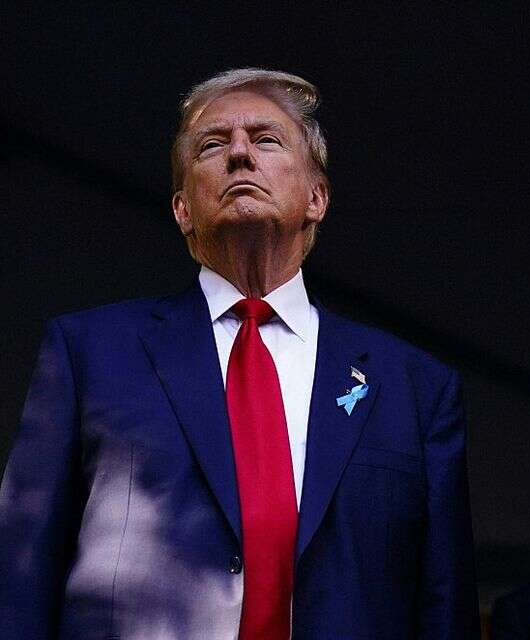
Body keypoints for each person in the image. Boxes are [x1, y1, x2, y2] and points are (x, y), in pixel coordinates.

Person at [0, 68, 479, 639]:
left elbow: (445, 604)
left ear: (317, 198)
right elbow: (19, 576)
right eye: (212, 145)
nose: (239, 155)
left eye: (267, 140)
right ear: (182, 209)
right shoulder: (89, 353)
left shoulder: (415, 387)